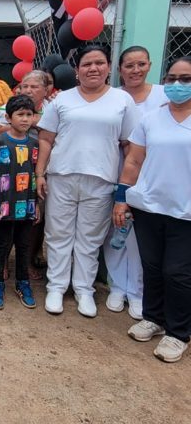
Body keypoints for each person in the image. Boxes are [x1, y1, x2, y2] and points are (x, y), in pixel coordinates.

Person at [36, 45, 141, 318]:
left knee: (89, 238)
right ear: (77, 70)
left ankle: (83, 289)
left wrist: (124, 187)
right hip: (62, 175)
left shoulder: (122, 100)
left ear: (108, 67)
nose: (93, 68)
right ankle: (56, 286)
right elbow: (46, 139)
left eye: (99, 63)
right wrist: (39, 173)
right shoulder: (62, 100)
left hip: (102, 178)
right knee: (58, 234)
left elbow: (129, 146)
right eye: (87, 64)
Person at [115, 56, 191, 363]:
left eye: (185, 79)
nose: (176, 85)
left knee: (179, 273)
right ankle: (154, 318)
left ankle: (178, 333)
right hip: (148, 205)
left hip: (185, 212)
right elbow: (133, 161)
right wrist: (122, 197)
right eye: (171, 78)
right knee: (154, 267)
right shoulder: (151, 119)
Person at [103, 45, 168, 320]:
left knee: (141, 237)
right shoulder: (113, 98)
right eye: (129, 66)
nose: (135, 70)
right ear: (119, 70)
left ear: (150, 65)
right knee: (116, 231)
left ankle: (138, 292)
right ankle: (117, 287)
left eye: (140, 64)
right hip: (117, 169)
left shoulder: (164, 96)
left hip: (152, 174)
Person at [0, 95, 40, 310]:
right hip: (4, 207)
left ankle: (22, 283)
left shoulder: (35, 144)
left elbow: (38, 175)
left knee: (24, 247)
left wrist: (38, 207)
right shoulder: (0, 142)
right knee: (1, 246)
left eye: (29, 114)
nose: (25, 119)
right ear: (8, 117)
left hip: (27, 206)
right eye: (20, 114)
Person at [0, 70, 50, 136]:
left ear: (45, 91)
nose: (28, 91)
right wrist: (27, 123)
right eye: (25, 86)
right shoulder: (9, 106)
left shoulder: (51, 108)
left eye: (34, 87)